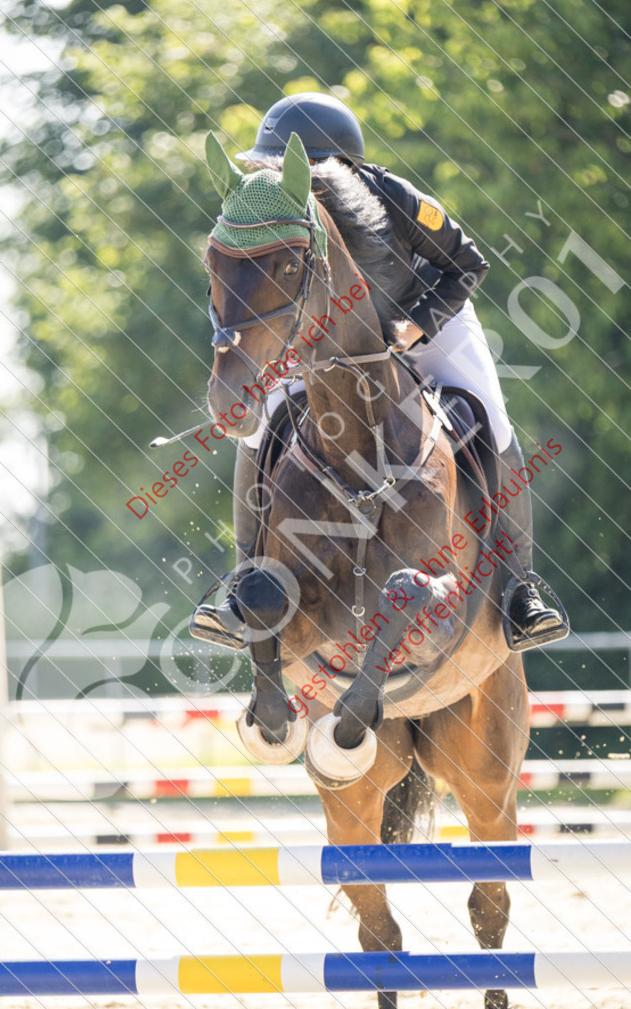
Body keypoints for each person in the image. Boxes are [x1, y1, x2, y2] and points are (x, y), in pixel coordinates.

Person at [191, 92, 567, 654]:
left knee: (491, 415)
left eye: (279, 164)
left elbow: (468, 262)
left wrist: (415, 327)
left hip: (428, 321)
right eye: (266, 164)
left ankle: (520, 589)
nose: (269, 175)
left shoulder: (393, 197)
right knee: (264, 426)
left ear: (330, 164)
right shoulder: (274, 211)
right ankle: (244, 584)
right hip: (328, 346)